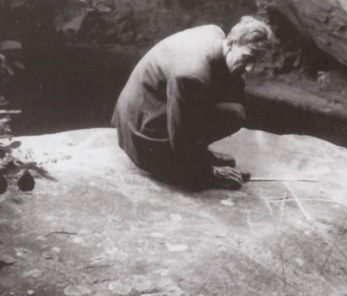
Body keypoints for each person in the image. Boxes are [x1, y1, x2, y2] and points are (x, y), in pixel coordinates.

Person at [112, 16, 275, 189]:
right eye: (248, 58)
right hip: (142, 141)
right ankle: (183, 164)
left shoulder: (215, 32)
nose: (251, 68)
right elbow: (181, 139)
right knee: (233, 114)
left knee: (232, 93)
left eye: (257, 61)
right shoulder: (191, 75)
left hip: (142, 111)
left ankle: (199, 153)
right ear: (230, 44)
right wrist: (209, 171)